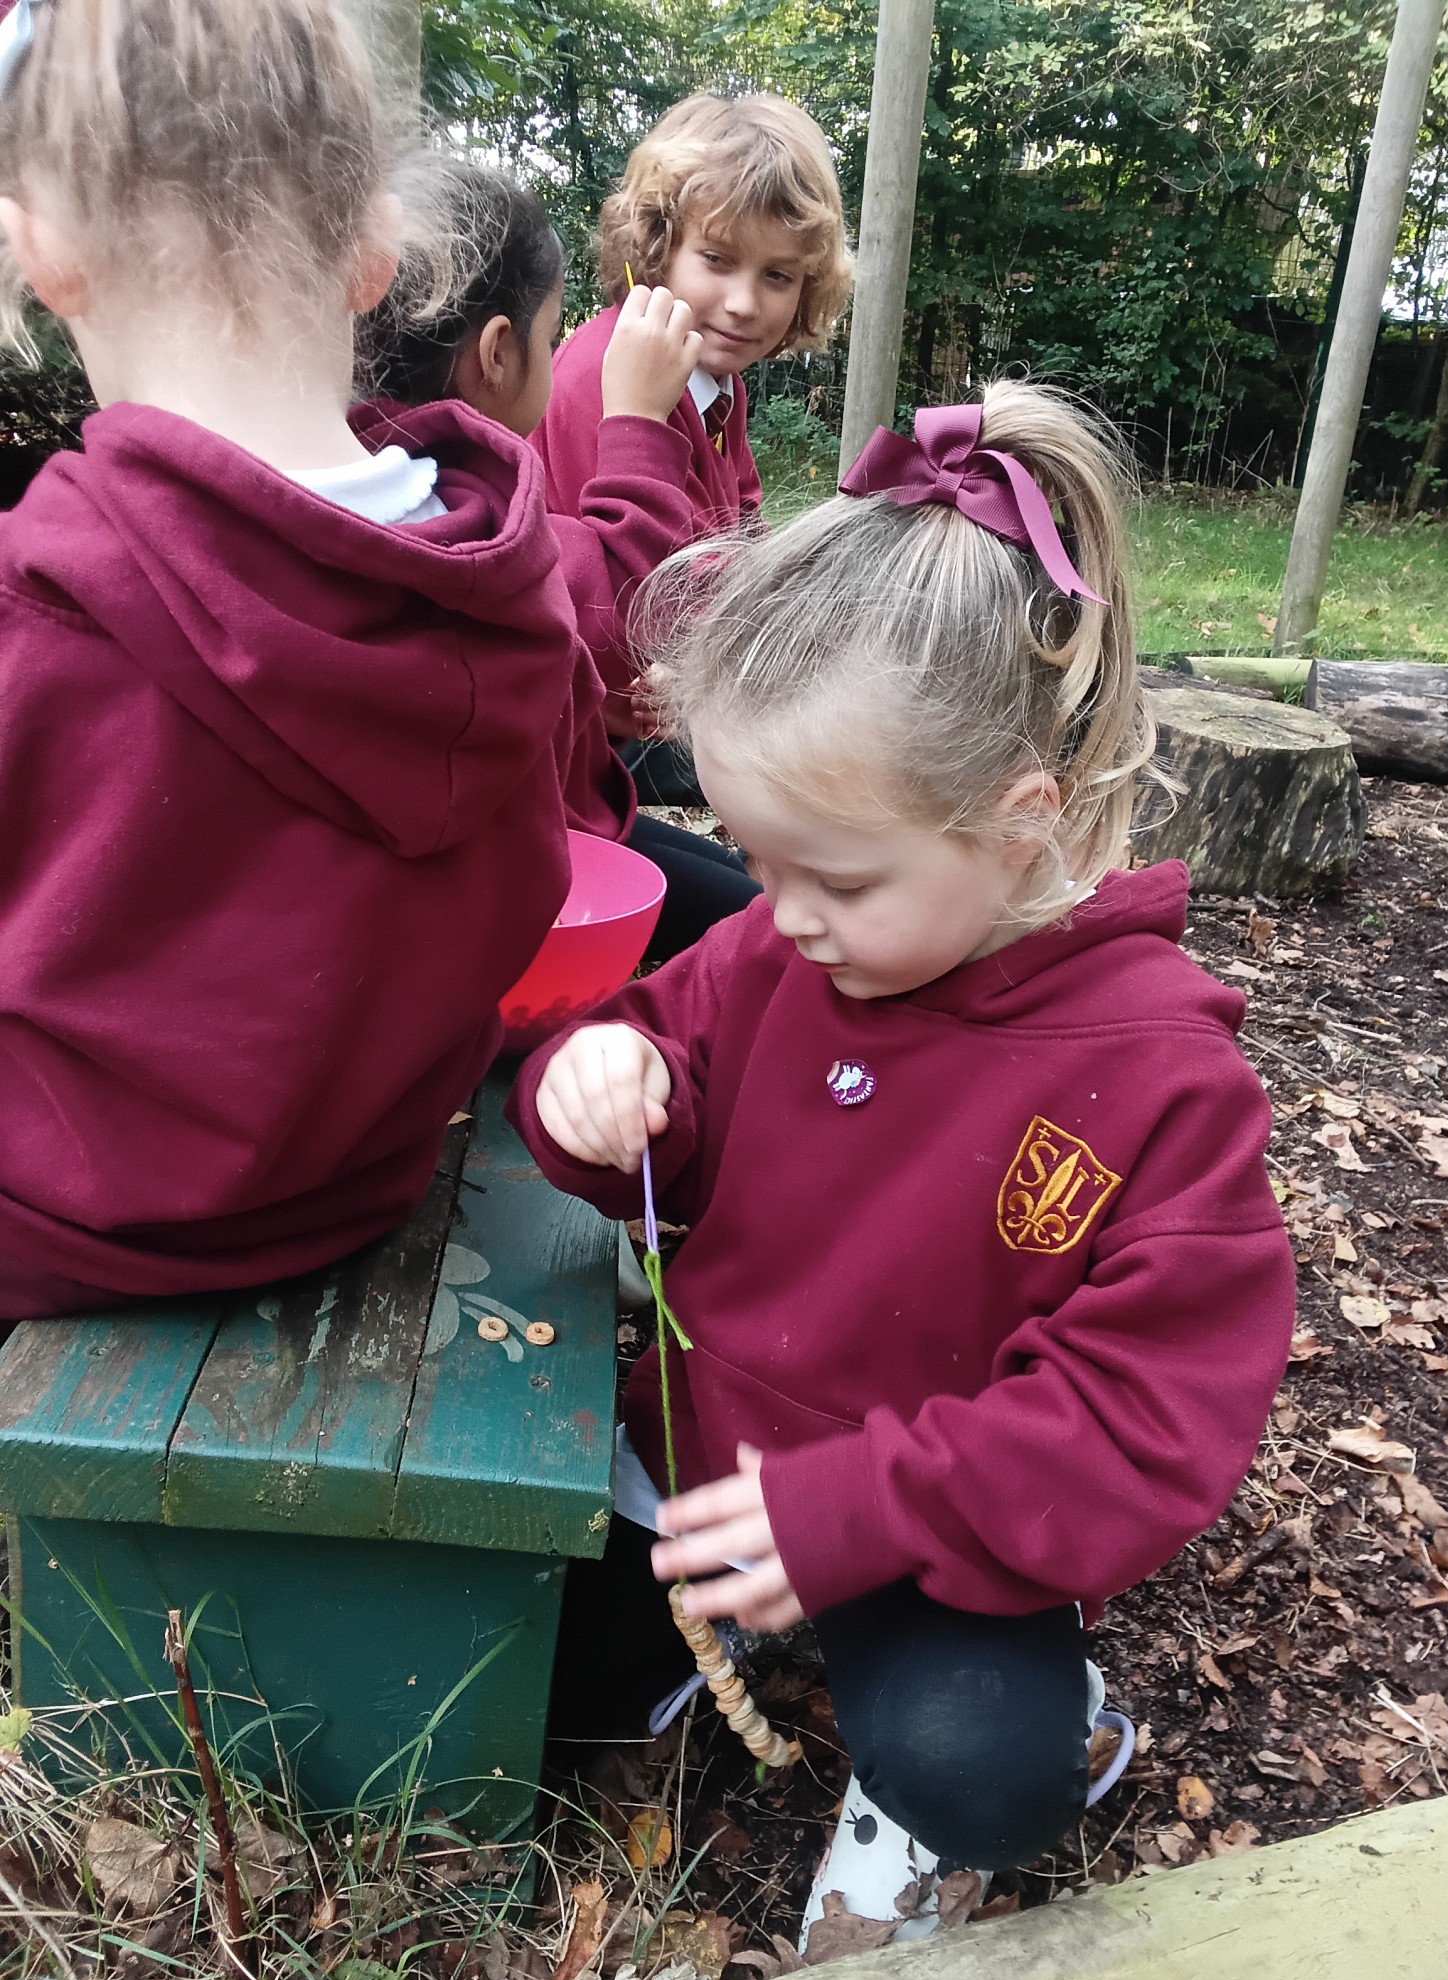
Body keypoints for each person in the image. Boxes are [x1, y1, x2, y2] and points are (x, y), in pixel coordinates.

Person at [511, 384, 1296, 1937]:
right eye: (755, 857)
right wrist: (603, 1084)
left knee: (975, 1768)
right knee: (522, 1686)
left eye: (840, 879)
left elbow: (1140, 1417)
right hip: (699, 1479)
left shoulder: (1157, 1083)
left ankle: (1041, 1723)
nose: (780, 912)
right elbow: (657, 1092)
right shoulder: (777, 953)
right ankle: (709, 1651)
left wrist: (857, 1512)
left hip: (934, 1537)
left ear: (1021, 823)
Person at [0, 0, 586, 1319]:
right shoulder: (498, 585)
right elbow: (521, 891)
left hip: (57, 1228)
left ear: (41, 248)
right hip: (360, 1183)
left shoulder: (34, 605)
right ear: (376, 248)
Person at [362, 162, 759, 959]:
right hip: (516, 859)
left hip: (542, 804)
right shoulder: (460, 504)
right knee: (747, 923)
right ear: (498, 354)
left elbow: (531, 638)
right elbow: (627, 604)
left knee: (730, 885)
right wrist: (639, 416)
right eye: (550, 334)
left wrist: (577, 691)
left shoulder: (374, 466)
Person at [532, 92, 853, 803]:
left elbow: (737, 529)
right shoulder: (614, 378)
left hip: (671, 688)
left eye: (777, 275)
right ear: (657, 246)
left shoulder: (716, 379)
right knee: (824, 775)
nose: (744, 303)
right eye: (717, 258)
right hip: (590, 729)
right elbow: (631, 603)